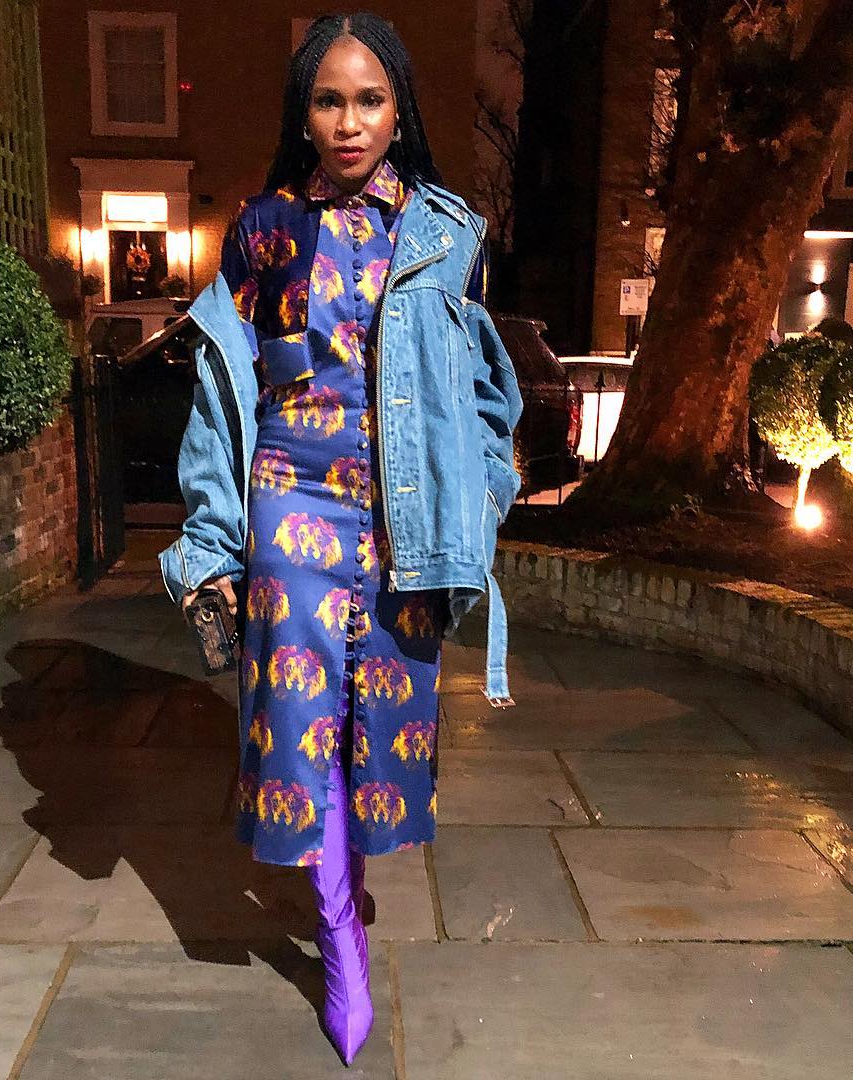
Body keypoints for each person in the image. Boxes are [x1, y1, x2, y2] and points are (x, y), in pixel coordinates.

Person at [159, 12, 523, 1065]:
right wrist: (214, 543)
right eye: (328, 100)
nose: (350, 121)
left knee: (385, 722)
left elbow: (485, 392)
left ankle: (348, 882)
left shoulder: (447, 235)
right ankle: (336, 936)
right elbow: (222, 390)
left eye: (369, 99)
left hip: (405, 523)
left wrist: (483, 497)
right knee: (302, 722)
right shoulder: (264, 228)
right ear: (304, 112)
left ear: (399, 108)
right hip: (293, 502)